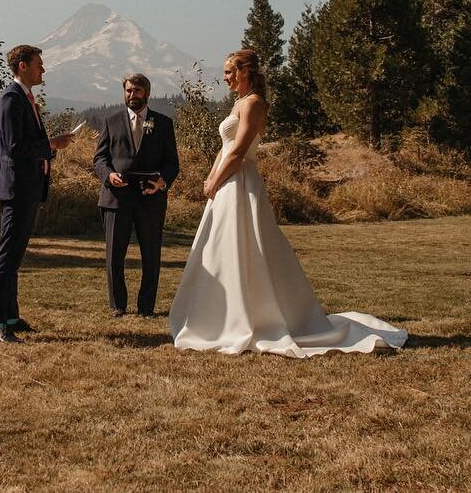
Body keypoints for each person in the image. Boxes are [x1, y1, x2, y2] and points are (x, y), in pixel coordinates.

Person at [169, 49, 408, 357]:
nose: (225, 77)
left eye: (229, 71)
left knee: (250, 244)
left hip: (241, 182)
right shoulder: (239, 102)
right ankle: (220, 315)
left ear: (244, 71)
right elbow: (225, 147)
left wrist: (217, 180)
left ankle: (258, 317)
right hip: (227, 182)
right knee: (222, 246)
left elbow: (240, 150)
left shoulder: (254, 103)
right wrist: (211, 176)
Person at [0, 44, 75, 343]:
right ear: (22, 66)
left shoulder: (25, 98)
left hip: (28, 186)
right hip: (16, 187)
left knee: (15, 254)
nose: (43, 69)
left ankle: (10, 315)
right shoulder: (11, 100)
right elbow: (15, 148)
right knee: (7, 254)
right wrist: (52, 144)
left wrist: (50, 149)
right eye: (39, 63)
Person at [93, 73, 180, 316]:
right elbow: (99, 158)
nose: (132, 95)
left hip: (150, 196)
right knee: (114, 255)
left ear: (146, 93)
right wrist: (108, 175)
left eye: (137, 91)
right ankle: (118, 305)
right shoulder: (111, 121)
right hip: (116, 197)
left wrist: (162, 182)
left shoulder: (163, 123)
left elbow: (172, 163)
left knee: (151, 254)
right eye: (128, 91)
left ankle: (146, 307)